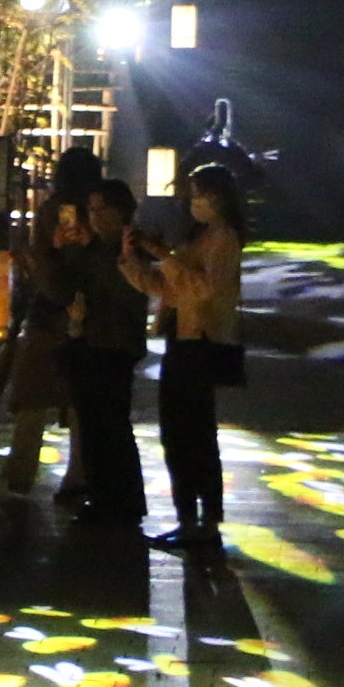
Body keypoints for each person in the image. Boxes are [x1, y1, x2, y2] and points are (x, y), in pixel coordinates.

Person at [129, 160, 248, 549]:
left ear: (219, 197)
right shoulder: (199, 238)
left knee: (194, 433)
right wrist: (134, 259)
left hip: (200, 343)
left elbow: (203, 290)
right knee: (177, 433)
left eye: (200, 195)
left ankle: (205, 521)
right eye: (192, 196)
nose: (194, 203)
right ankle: (188, 518)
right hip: (181, 340)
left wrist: (165, 255)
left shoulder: (223, 239)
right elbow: (169, 287)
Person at [62, 179, 151, 529]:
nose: (94, 218)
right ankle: (106, 497)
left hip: (115, 344)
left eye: (101, 211)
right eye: (91, 211)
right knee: (96, 425)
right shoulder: (96, 248)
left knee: (110, 425)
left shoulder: (127, 248)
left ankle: (119, 500)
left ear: (121, 212)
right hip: (93, 341)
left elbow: (129, 294)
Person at [0, 196, 83, 497]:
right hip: (70, 326)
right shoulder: (80, 240)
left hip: (50, 325)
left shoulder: (51, 247)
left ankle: (22, 473)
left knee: (36, 403)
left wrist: (47, 256)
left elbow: (55, 287)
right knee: (75, 407)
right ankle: (76, 477)